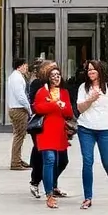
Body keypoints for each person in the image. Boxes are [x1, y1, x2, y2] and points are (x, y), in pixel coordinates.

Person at [76, 59, 108, 208]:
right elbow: (80, 109)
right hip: (86, 128)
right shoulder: (83, 88)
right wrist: (91, 99)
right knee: (87, 162)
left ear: (100, 71)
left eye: (93, 69)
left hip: (105, 129)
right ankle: (88, 197)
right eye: (89, 70)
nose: (90, 72)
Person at [32, 64, 75, 209]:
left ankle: (52, 184)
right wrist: (56, 105)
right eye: (53, 75)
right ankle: (49, 194)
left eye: (58, 75)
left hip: (59, 131)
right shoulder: (42, 91)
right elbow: (38, 108)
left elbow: (69, 112)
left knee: (62, 161)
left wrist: (58, 105)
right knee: (49, 159)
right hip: (45, 131)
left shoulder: (64, 92)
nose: (56, 77)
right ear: (48, 78)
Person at [26, 60, 66, 199]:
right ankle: (36, 182)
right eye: (51, 67)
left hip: (58, 126)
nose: (55, 71)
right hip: (41, 125)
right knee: (42, 156)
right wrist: (53, 105)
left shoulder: (61, 84)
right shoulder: (38, 84)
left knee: (62, 159)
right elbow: (35, 105)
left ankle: (51, 184)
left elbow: (67, 105)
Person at [5, 58, 31, 170]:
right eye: (25, 65)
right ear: (19, 66)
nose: (26, 68)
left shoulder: (14, 76)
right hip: (19, 109)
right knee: (19, 136)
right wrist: (29, 109)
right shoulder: (17, 78)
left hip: (15, 108)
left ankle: (17, 158)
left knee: (18, 135)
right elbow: (21, 96)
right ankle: (15, 161)